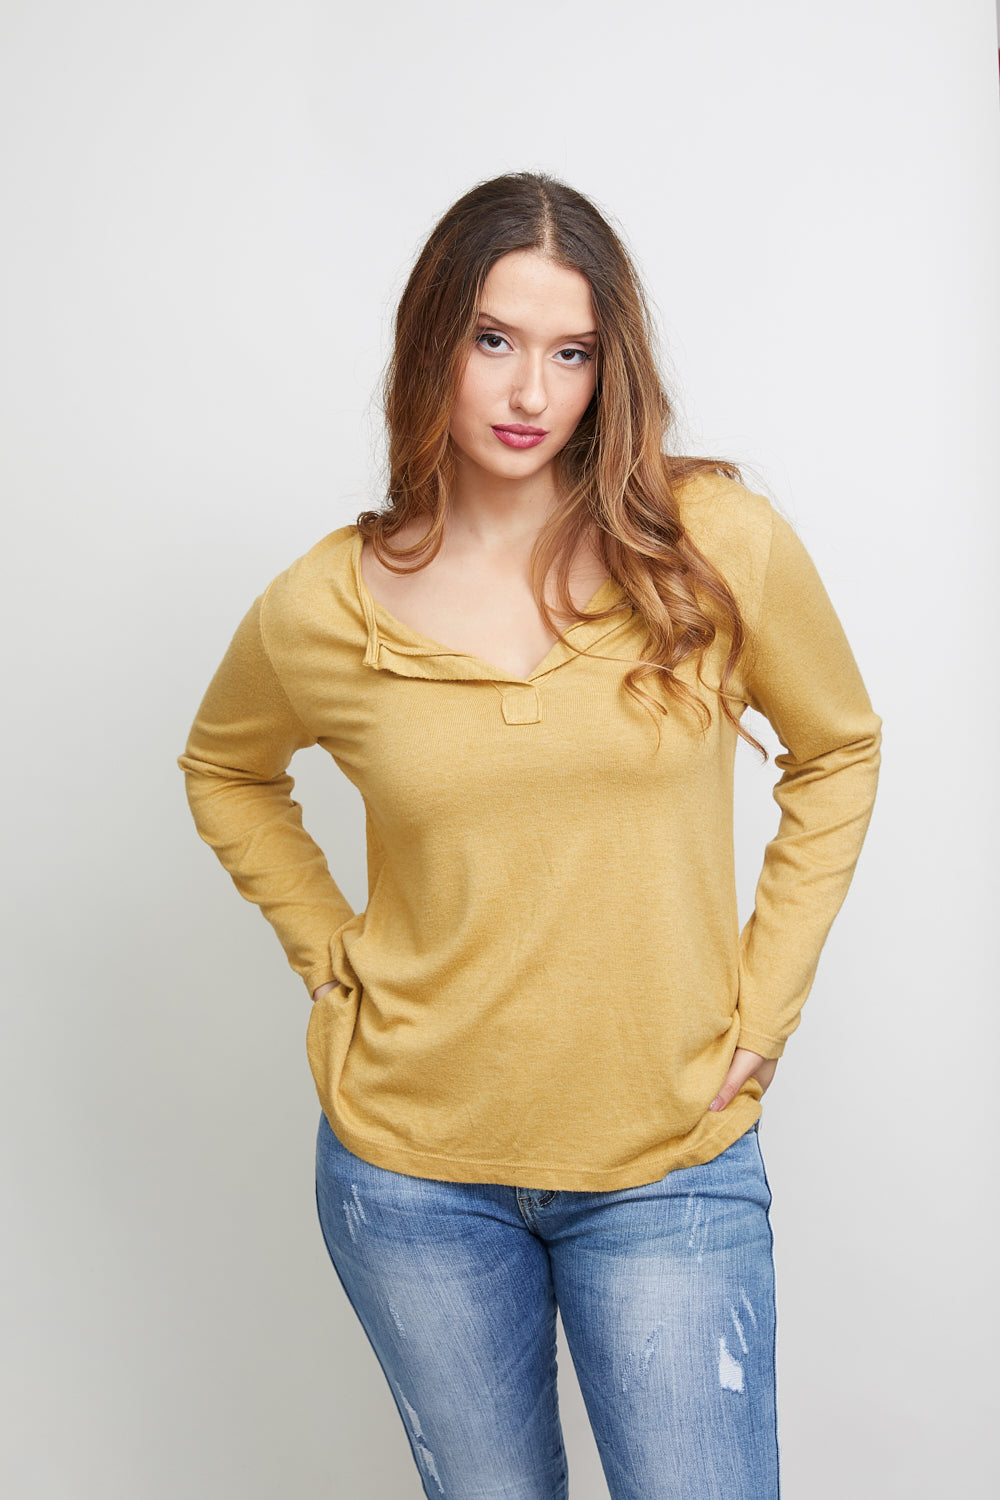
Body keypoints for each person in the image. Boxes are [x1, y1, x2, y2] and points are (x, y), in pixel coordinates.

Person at [179, 171, 880, 1499]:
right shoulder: (324, 604)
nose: (528, 392)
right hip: (412, 1174)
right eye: (493, 339)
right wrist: (327, 950)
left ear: (611, 369)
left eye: (572, 353)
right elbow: (225, 768)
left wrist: (768, 997)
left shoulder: (714, 546)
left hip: (667, 1159)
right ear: (431, 343)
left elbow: (839, 749)